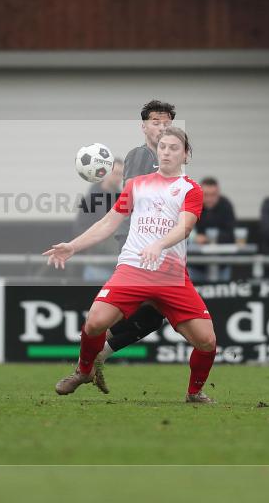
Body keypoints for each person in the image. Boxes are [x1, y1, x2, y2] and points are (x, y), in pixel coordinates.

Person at [44, 127, 217, 403]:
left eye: (174, 148)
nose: (167, 152)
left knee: (208, 342)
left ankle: (194, 392)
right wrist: (73, 246)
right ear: (156, 152)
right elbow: (108, 223)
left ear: (186, 154)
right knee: (94, 322)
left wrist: (159, 244)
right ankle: (84, 371)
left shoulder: (190, 189)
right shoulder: (137, 185)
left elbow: (185, 227)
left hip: (171, 276)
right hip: (133, 269)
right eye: (162, 147)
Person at [101, 100, 178, 371]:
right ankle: (96, 342)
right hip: (138, 241)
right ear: (144, 126)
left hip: (159, 244)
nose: (161, 127)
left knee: (154, 316)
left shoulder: (171, 159)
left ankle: (99, 346)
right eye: (155, 122)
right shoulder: (140, 155)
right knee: (151, 309)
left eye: (166, 122)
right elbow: (134, 199)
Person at [74, 158, 124, 282]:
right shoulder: (90, 199)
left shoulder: (123, 199)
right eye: (116, 173)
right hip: (97, 265)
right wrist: (101, 244)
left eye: (121, 174)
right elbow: (80, 229)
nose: (119, 178)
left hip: (119, 266)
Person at [187, 176, 236, 282]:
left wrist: (207, 238)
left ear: (219, 193)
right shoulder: (192, 205)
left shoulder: (226, 205)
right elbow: (182, 229)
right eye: (206, 195)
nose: (209, 199)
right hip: (196, 265)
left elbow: (231, 234)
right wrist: (194, 237)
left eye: (213, 195)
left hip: (221, 264)